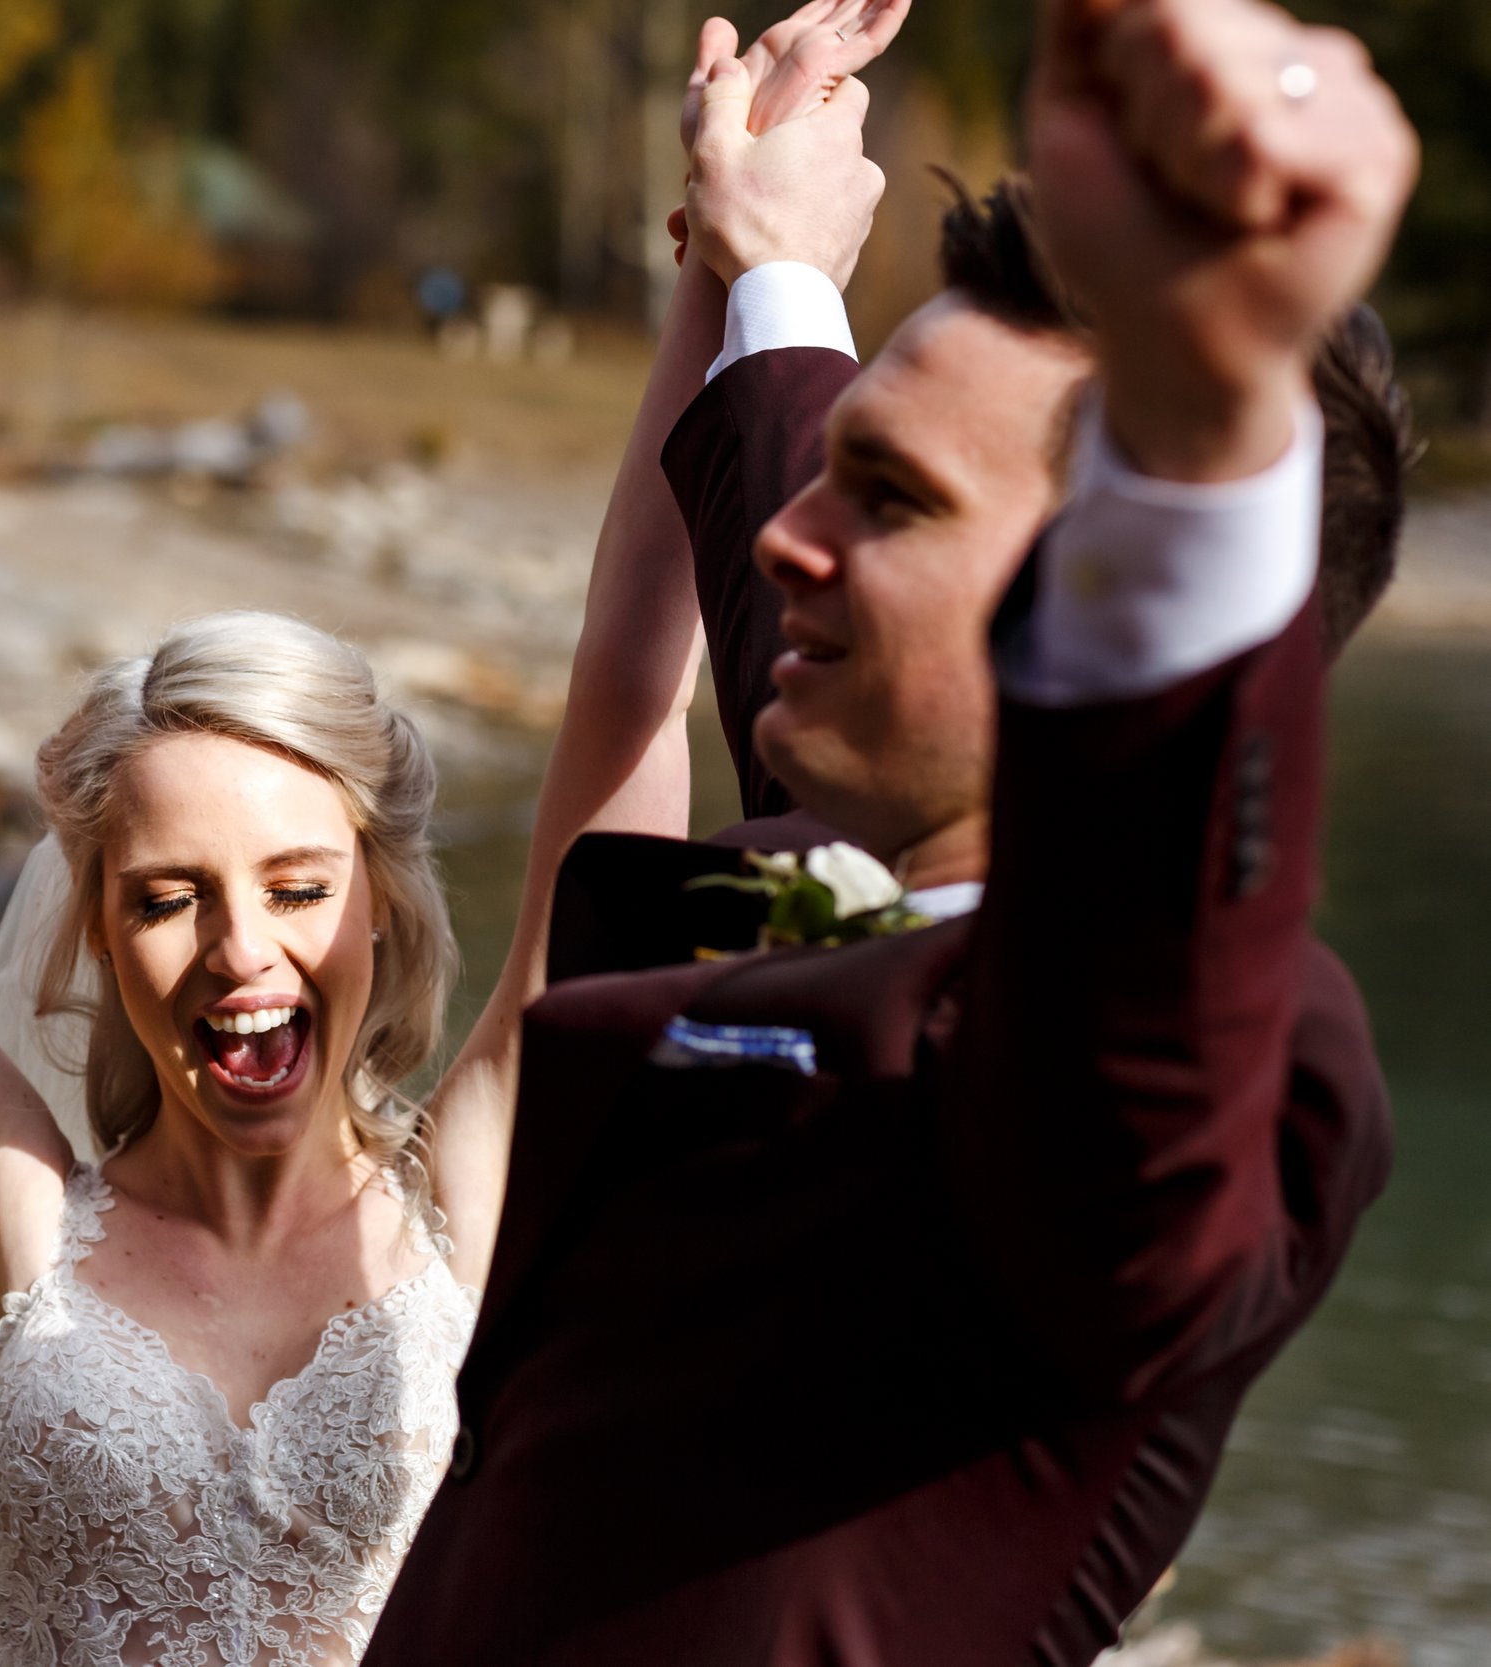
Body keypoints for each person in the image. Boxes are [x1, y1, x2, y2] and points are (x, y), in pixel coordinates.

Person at [0, 6, 904, 1660]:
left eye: (298, 885)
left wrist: (721, 270)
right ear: (91, 923)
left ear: (383, 902)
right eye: (168, 897)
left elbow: (632, 699)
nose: (242, 952)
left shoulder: (479, 1189)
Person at [364, 1, 1416, 1663]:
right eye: (835, 473)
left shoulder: (1195, 1072)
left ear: (1110, 606)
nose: (790, 536)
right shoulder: (854, 856)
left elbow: (1144, 959)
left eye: (896, 499)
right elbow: (805, 511)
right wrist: (770, 261)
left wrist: (1209, 412)